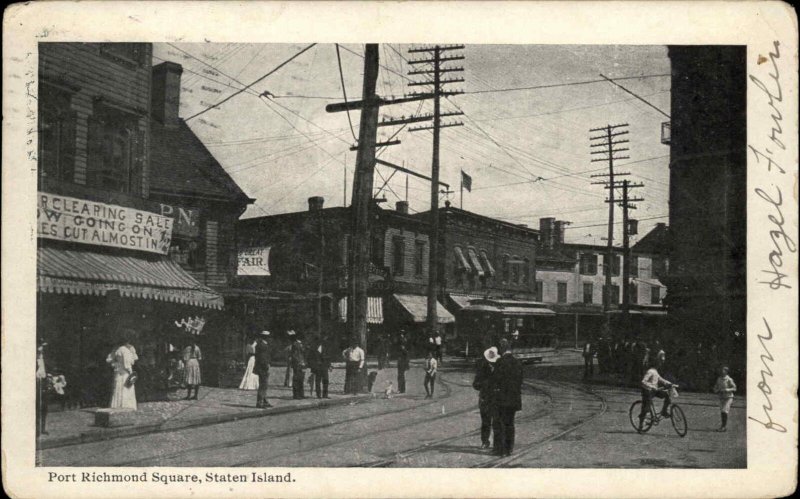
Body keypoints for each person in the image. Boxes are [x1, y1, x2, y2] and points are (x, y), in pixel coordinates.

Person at [491, 339, 523, 456]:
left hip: (501, 399)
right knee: (510, 423)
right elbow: (520, 381)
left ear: (502, 349)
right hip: (514, 399)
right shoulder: (518, 362)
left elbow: (495, 380)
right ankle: (509, 449)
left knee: (500, 424)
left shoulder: (500, 362)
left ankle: (502, 450)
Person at [473, 346, 498, 449]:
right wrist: (483, 384)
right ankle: (485, 441)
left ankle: (497, 443)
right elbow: (475, 384)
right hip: (485, 398)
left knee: (497, 422)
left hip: (496, 398)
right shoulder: (482, 369)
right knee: (485, 422)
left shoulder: (499, 368)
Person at [106, 333, 139, 410]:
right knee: (126, 387)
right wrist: (131, 372)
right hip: (125, 372)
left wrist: (116, 363)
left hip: (118, 371)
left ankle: (117, 405)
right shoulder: (125, 350)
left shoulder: (117, 349)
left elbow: (109, 359)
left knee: (118, 387)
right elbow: (127, 364)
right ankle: (126, 406)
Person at [638, 359, 674, 427]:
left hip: (654, 390)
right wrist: (652, 386)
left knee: (667, 395)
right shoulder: (650, 371)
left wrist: (669, 383)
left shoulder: (655, 371)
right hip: (647, 391)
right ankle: (641, 423)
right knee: (646, 408)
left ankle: (664, 411)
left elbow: (660, 379)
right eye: (659, 364)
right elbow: (643, 382)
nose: (660, 365)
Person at [713, 366, 737, 432]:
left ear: (726, 372)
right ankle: (723, 426)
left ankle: (723, 427)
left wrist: (727, 389)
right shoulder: (719, 379)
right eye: (721, 370)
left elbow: (734, 388)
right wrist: (716, 390)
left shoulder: (729, 379)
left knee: (724, 411)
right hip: (721, 398)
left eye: (723, 370)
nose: (721, 371)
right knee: (722, 412)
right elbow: (716, 386)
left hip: (728, 397)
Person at [253, 331, 272, 408]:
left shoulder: (264, 344)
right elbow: (262, 357)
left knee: (265, 384)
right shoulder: (261, 345)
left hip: (264, 366)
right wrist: (266, 365)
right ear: (265, 337)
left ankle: (264, 401)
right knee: (263, 384)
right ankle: (259, 402)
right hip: (262, 367)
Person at [36, 339, 49, 436]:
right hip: (36, 384)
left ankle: (42, 428)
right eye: (40, 346)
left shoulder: (45, 359)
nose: (41, 349)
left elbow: (47, 370)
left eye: (42, 347)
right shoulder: (34, 358)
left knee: (44, 407)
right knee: (36, 407)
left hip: (43, 383)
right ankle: (36, 429)